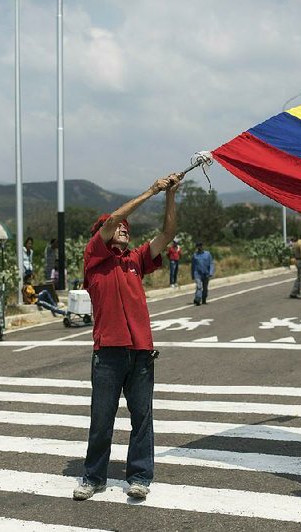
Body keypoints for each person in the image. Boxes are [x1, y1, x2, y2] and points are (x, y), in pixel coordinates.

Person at [73, 172, 181, 502]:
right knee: (102, 419)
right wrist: (151, 189)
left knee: (142, 418)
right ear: (101, 235)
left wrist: (170, 196)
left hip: (141, 352)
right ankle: (93, 477)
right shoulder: (95, 257)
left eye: (126, 229)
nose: (123, 228)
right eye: (118, 226)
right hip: (108, 352)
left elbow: (168, 234)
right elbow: (116, 218)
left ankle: (139, 476)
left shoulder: (135, 260)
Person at [289, 231, 301, 298]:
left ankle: (294, 292)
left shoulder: (296, 243)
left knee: (299, 277)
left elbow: (293, 253)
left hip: (297, 260)